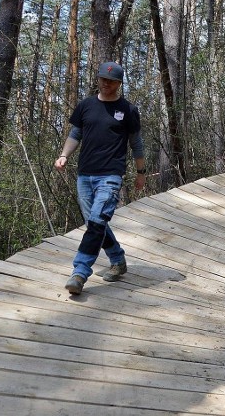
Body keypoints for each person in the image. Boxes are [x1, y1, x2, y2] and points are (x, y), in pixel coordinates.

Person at [55, 61, 147, 295]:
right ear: (98, 79)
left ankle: (79, 272)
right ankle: (117, 259)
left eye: (112, 81)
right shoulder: (86, 105)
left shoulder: (128, 110)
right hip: (85, 175)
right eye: (103, 79)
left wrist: (141, 172)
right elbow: (75, 133)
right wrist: (64, 155)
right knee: (95, 224)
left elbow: (135, 143)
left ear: (119, 83)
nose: (107, 84)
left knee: (96, 222)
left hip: (110, 175)